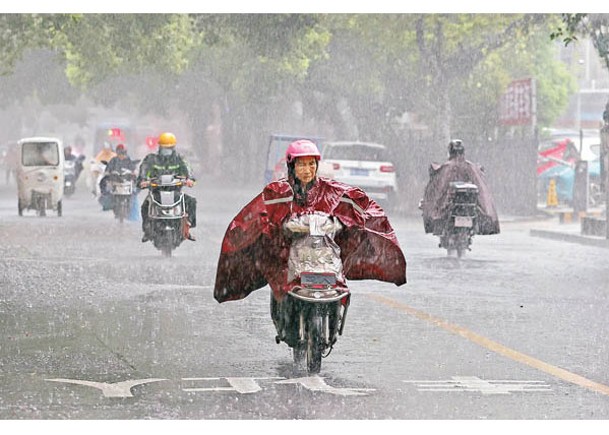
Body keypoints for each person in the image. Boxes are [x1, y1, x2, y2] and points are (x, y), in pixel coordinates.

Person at [213, 139, 407, 332]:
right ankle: (285, 319)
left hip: (324, 256)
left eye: (311, 164)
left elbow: (360, 207)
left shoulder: (332, 191)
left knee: (339, 285)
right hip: (288, 256)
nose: (307, 170)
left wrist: (347, 223)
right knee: (280, 277)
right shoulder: (278, 192)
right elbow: (255, 216)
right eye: (302, 165)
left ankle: (333, 320)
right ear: (292, 166)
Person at [421, 139, 500, 235]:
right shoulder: (469, 167)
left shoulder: (446, 168)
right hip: (462, 208)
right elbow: (481, 188)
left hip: (453, 209)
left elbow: (436, 188)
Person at [137, 132, 197, 242]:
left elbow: (188, 170)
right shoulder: (152, 159)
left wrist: (190, 180)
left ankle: (187, 227)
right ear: (159, 147)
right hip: (156, 192)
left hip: (175, 192)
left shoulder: (180, 159)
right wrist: (142, 181)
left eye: (169, 148)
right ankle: (147, 231)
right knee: (145, 206)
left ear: (173, 148)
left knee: (191, 202)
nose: (166, 151)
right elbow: (144, 171)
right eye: (164, 148)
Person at [98, 144, 137, 211]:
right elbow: (108, 168)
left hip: (126, 179)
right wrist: (108, 172)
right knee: (103, 181)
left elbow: (133, 169)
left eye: (123, 153)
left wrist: (134, 173)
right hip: (115, 179)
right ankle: (106, 196)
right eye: (120, 153)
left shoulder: (128, 160)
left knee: (137, 182)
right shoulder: (113, 160)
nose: (121, 155)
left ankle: (134, 193)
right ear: (117, 153)